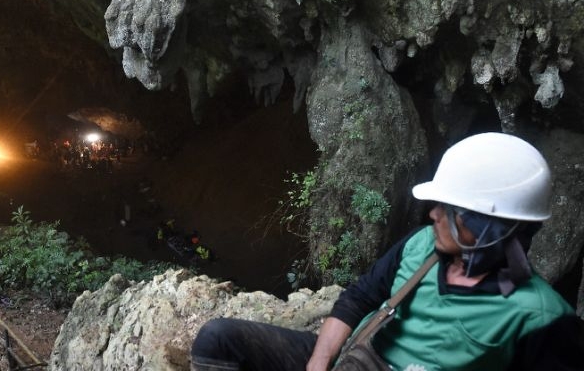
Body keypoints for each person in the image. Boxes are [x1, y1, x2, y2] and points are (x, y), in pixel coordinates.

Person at [190, 133, 582, 370]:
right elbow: (358, 298)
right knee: (219, 339)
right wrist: (318, 362)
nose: (432, 215)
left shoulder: (542, 319)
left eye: (448, 210)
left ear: (487, 228)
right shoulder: (421, 246)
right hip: (355, 358)